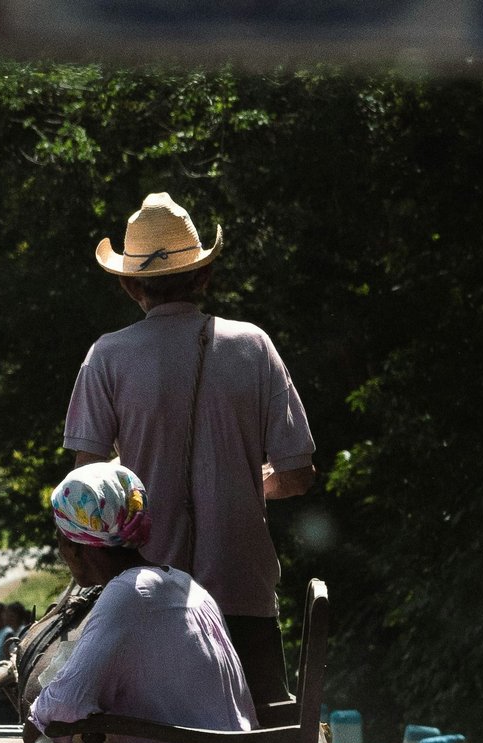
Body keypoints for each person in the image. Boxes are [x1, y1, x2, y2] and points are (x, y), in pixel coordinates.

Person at [64, 192, 317, 707]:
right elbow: (297, 475)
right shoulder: (253, 346)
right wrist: (248, 482)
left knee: (134, 730)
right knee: (267, 728)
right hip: (243, 594)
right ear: (204, 276)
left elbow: (89, 493)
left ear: (129, 284)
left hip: (142, 598)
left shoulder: (107, 356)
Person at [0, 462, 256, 743]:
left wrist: (34, 725)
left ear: (72, 545)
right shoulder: (183, 583)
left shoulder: (125, 594)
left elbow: (67, 702)